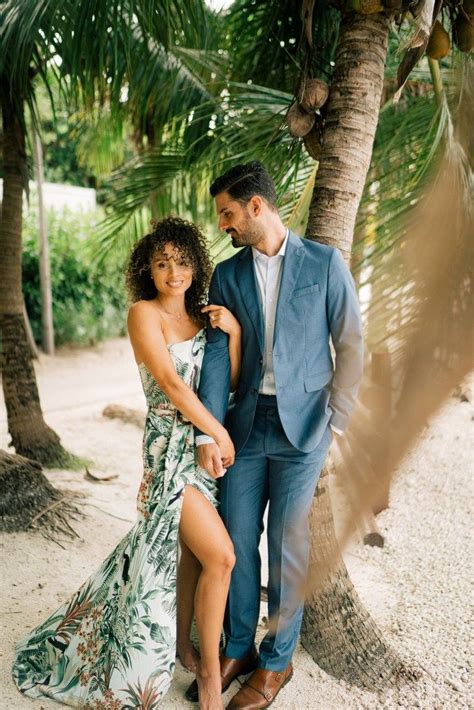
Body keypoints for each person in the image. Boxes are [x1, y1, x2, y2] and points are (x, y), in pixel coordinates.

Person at [12, 217, 241, 710]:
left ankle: (182, 645)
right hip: (168, 452)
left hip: (203, 454)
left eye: (181, 261)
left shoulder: (205, 318)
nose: (173, 272)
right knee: (221, 557)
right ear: (149, 270)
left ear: (196, 264)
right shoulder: (144, 313)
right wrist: (217, 431)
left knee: (193, 556)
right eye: (162, 263)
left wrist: (235, 332)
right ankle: (207, 678)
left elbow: (227, 381)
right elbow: (173, 385)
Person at [185, 161, 364, 710]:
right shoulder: (229, 274)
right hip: (243, 425)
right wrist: (211, 431)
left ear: (256, 207)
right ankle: (238, 644)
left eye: (228, 213)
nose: (224, 225)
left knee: (289, 544)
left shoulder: (324, 264)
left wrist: (336, 422)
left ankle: (278, 658)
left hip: (304, 429)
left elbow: (352, 344)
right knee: (237, 541)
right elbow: (219, 357)